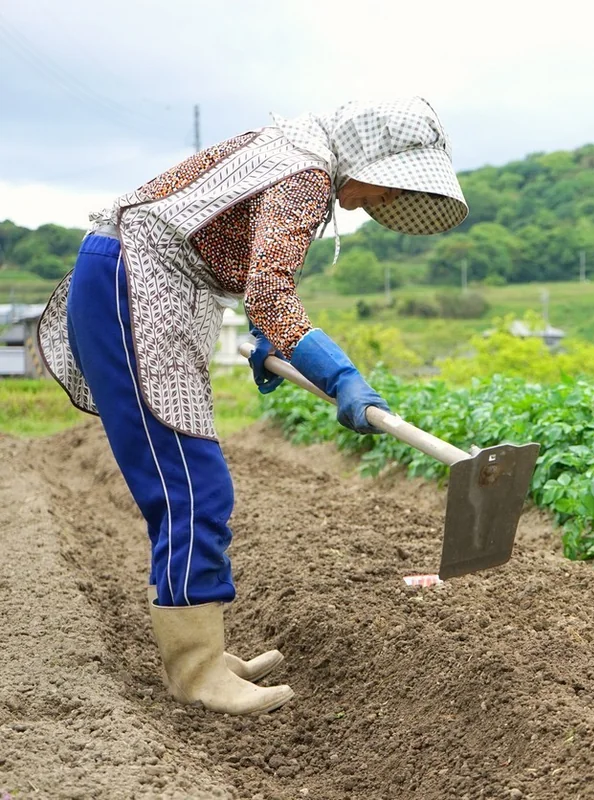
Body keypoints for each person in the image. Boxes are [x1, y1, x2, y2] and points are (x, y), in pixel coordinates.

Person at [37, 97, 469, 715]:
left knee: (189, 485)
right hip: (133, 290)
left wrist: (273, 335)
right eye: (387, 186)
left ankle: (202, 653)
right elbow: (269, 290)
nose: (377, 202)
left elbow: (232, 248)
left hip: (133, 280)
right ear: (369, 158)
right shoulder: (304, 174)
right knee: (192, 487)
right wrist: (340, 374)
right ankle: (197, 673)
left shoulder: (292, 151)